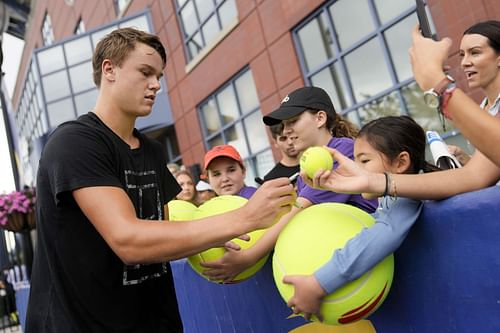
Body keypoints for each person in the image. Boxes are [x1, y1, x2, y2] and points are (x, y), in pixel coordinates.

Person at [25, 28, 294, 332]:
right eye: (145, 72)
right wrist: (245, 217)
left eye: (160, 77)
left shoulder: (152, 150)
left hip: (155, 321)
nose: (155, 85)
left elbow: (164, 234)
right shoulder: (74, 142)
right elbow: (128, 240)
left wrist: (220, 240)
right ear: (109, 69)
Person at [201, 87, 378, 282]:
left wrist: (248, 257)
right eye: (284, 125)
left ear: (320, 118)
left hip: (370, 263)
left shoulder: (341, 150)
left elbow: (298, 211)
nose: (286, 131)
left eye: (293, 121)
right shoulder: (307, 167)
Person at [283, 116, 438, 321]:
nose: (354, 169)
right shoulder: (389, 199)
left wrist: (317, 283)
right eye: (354, 160)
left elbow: (380, 235)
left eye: (364, 161)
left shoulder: (407, 198)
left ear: (401, 163)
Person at [410, 20, 500, 168]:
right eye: (462, 55)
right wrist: (465, 159)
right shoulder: (482, 107)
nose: (465, 62)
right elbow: (488, 171)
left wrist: (438, 83)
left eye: (475, 53)